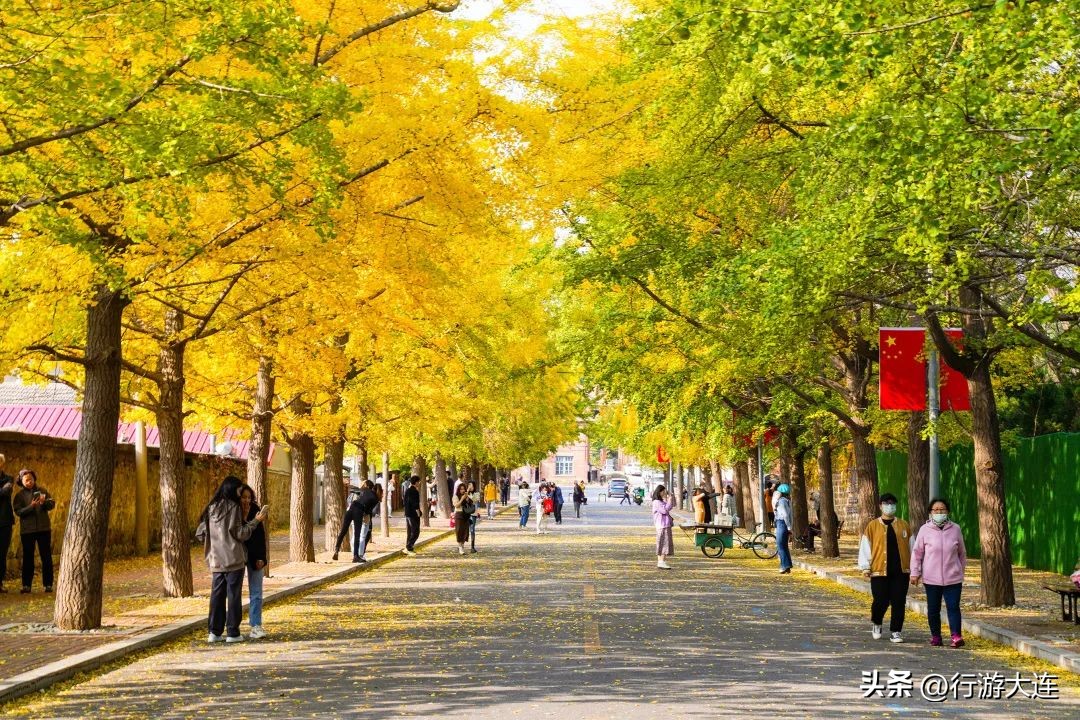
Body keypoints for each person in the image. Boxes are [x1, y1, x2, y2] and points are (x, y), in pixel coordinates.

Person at [195, 475, 266, 643]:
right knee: (233, 596)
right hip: (234, 559)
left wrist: (214, 544)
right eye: (238, 490)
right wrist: (255, 521)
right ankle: (233, 632)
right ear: (232, 489)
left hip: (216, 560)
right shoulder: (233, 507)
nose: (239, 493)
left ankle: (214, 632)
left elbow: (200, 533)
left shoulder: (211, 507)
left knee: (217, 596)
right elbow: (240, 534)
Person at [911, 498, 967, 648]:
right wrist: (915, 573)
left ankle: (956, 636)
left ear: (947, 511)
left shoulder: (955, 529)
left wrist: (960, 570)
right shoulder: (924, 530)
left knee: (953, 607)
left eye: (942, 509)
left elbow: (962, 553)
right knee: (933, 609)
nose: (939, 512)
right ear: (930, 512)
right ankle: (936, 636)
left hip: (953, 578)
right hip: (931, 578)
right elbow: (917, 553)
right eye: (935, 510)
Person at [858, 492, 912, 643]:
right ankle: (877, 622)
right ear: (880, 506)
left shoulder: (904, 525)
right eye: (886, 503)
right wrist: (865, 567)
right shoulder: (873, 526)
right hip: (879, 570)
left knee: (898, 601)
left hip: (900, 571)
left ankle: (896, 631)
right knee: (880, 600)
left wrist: (915, 568)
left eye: (892, 503)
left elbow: (912, 547)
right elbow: (866, 547)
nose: (890, 506)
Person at [13, 469, 54, 593]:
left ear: (34, 479)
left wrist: (44, 502)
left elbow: (52, 504)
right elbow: (18, 512)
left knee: (46, 556)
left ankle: (48, 584)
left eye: (31, 479)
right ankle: (26, 585)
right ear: (21, 482)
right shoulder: (19, 496)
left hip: (44, 529)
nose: (29, 482)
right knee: (28, 557)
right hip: (27, 531)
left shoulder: (42, 490)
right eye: (26, 480)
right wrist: (31, 507)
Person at [238, 485, 269, 640]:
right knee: (234, 593)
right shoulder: (233, 511)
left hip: (254, 556)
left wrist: (262, 558)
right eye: (244, 497)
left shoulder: (255, 510)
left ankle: (255, 625)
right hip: (235, 556)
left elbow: (260, 537)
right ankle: (232, 627)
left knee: (256, 593)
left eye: (249, 497)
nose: (247, 500)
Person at [332, 480, 378, 563]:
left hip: (351, 508)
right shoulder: (375, 497)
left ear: (366, 485)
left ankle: (336, 549)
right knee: (357, 534)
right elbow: (369, 511)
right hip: (359, 512)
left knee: (343, 530)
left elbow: (353, 490)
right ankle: (355, 556)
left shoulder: (362, 490)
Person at [0, 455, 16, 594]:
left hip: (4, 521)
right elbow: (3, 492)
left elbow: (7, 491)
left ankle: (0, 583)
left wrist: (4, 491)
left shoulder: (9, 479)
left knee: (2, 553)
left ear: (2, 464)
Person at [651, 485, 675, 570]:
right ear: (659, 492)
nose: (664, 493)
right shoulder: (656, 502)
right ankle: (661, 561)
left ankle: (661, 561)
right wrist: (668, 500)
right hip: (662, 525)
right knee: (663, 543)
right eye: (663, 492)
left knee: (664, 543)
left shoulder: (661, 501)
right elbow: (664, 511)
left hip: (665, 524)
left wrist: (668, 500)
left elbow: (669, 507)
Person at [773, 483, 793, 575]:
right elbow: (790, 515)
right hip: (784, 524)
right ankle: (787, 565)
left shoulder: (781, 501)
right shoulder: (788, 501)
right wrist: (790, 526)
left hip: (781, 523)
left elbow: (785, 515)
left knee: (780, 545)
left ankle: (784, 566)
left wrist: (788, 527)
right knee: (784, 546)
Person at [452, 484, 474, 555]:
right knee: (459, 531)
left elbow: (471, 503)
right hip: (459, 514)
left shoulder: (466, 495)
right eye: (461, 489)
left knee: (465, 532)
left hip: (466, 515)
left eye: (463, 489)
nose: (462, 490)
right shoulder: (455, 496)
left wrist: (467, 499)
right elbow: (456, 505)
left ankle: (462, 546)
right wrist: (462, 498)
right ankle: (460, 546)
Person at [403, 475, 421, 555]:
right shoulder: (414, 491)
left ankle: (408, 547)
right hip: (413, 514)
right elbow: (415, 503)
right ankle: (409, 547)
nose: (419, 483)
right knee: (415, 531)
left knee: (410, 531)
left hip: (407, 513)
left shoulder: (407, 490)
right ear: (416, 482)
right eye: (419, 481)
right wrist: (418, 512)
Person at [467, 481, 482, 553]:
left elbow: (475, 501)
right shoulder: (465, 493)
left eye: (471, 486)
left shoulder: (477, 493)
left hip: (473, 514)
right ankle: (461, 545)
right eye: (469, 485)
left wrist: (478, 513)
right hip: (466, 513)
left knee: (472, 530)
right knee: (465, 529)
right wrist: (467, 491)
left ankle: (472, 546)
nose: (470, 487)